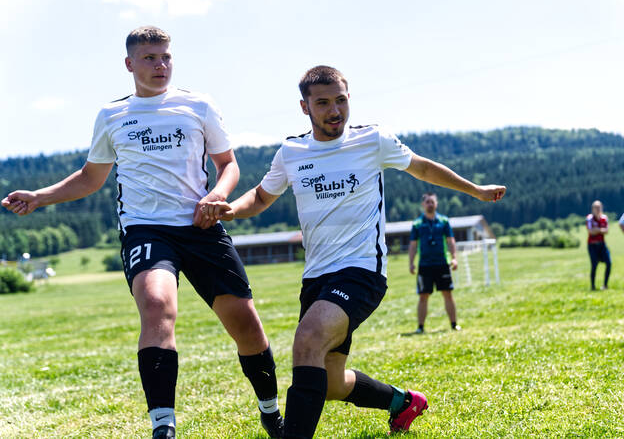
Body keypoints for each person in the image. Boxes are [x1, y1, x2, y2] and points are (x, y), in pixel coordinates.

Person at [1, 26, 283, 439]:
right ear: (130, 64)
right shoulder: (112, 116)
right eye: (150, 58)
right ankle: (163, 427)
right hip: (145, 229)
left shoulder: (198, 106)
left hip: (201, 226)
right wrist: (40, 197)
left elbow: (229, 164)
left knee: (246, 325)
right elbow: (90, 177)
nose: (160, 65)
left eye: (166, 56)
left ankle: (271, 412)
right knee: (155, 305)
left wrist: (218, 196)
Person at [201, 65, 506, 438]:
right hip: (316, 277)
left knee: (308, 339)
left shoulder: (372, 140)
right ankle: (402, 401)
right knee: (329, 383)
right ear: (305, 107)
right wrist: (232, 208)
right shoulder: (291, 152)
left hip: (362, 271)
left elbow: (423, 169)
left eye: (341, 100)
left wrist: (474, 189)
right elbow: (262, 196)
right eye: (324, 103)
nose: (335, 111)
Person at [408, 192, 460, 333]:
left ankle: (454, 324)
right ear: (423, 205)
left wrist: (454, 258)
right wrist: (411, 262)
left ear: (436, 204)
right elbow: (413, 245)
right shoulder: (417, 223)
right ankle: (420, 327)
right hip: (425, 265)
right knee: (423, 296)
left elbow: (450, 241)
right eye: (427, 202)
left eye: (432, 202)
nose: (430, 204)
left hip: (442, 263)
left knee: (448, 293)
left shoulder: (443, 221)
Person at [586, 200, 611, 291]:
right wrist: (601, 230)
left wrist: (597, 229)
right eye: (596, 208)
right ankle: (593, 286)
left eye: (599, 207)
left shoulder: (604, 218)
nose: (597, 209)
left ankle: (605, 285)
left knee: (609, 263)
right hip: (592, 245)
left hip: (602, 245)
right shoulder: (589, 218)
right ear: (592, 209)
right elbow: (591, 231)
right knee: (594, 265)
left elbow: (606, 231)